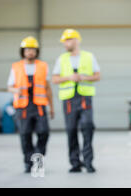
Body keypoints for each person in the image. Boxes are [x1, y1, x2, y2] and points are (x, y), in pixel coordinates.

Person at [51, 29, 101, 173]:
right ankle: (75, 163)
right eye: (65, 41)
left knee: (87, 127)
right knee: (71, 130)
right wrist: (69, 78)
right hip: (68, 100)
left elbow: (97, 76)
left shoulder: (89, 57)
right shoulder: (61, 59)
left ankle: (88, 162)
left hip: (85, 98)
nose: (65, 43)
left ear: (76, 40)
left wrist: (83, 77)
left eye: (68, 40)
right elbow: (54, 79)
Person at [7, 36, 54, 173]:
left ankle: (37, 159)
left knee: (44, 133)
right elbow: (10, 86)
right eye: (27, 49)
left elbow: (48, 88)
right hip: (23, 107)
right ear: (23, 51)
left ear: (37, 51)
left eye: (33, 49)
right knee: (25, 135)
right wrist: (16, 90)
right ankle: (29, 163)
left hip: (39, 106)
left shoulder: (43, 66)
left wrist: (51, 107)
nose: (30, 52)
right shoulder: (16, 67)